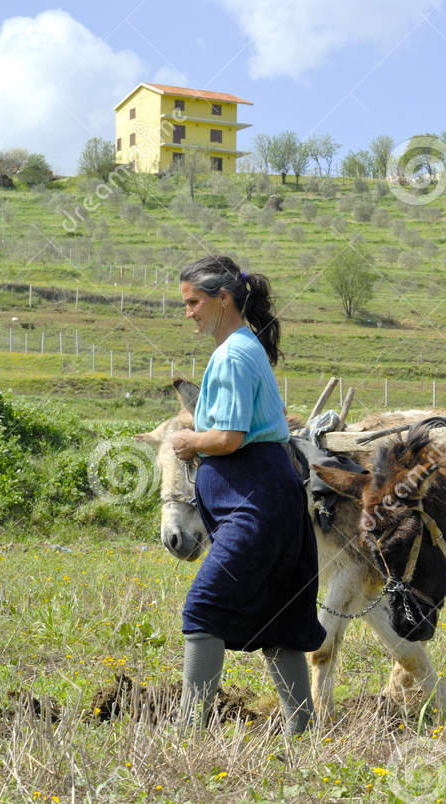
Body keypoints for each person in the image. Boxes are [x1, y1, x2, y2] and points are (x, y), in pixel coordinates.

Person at [169, 255, 324, 734]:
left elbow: (231, 438)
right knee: (281, 621)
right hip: (269, 496)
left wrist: (189, 441)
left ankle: (188, 733)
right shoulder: (241, 348)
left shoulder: (234, 354)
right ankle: (303, 736)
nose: (189, 312)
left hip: (253, 503)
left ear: (223, 299)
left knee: (203, 609)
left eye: (194, 302)